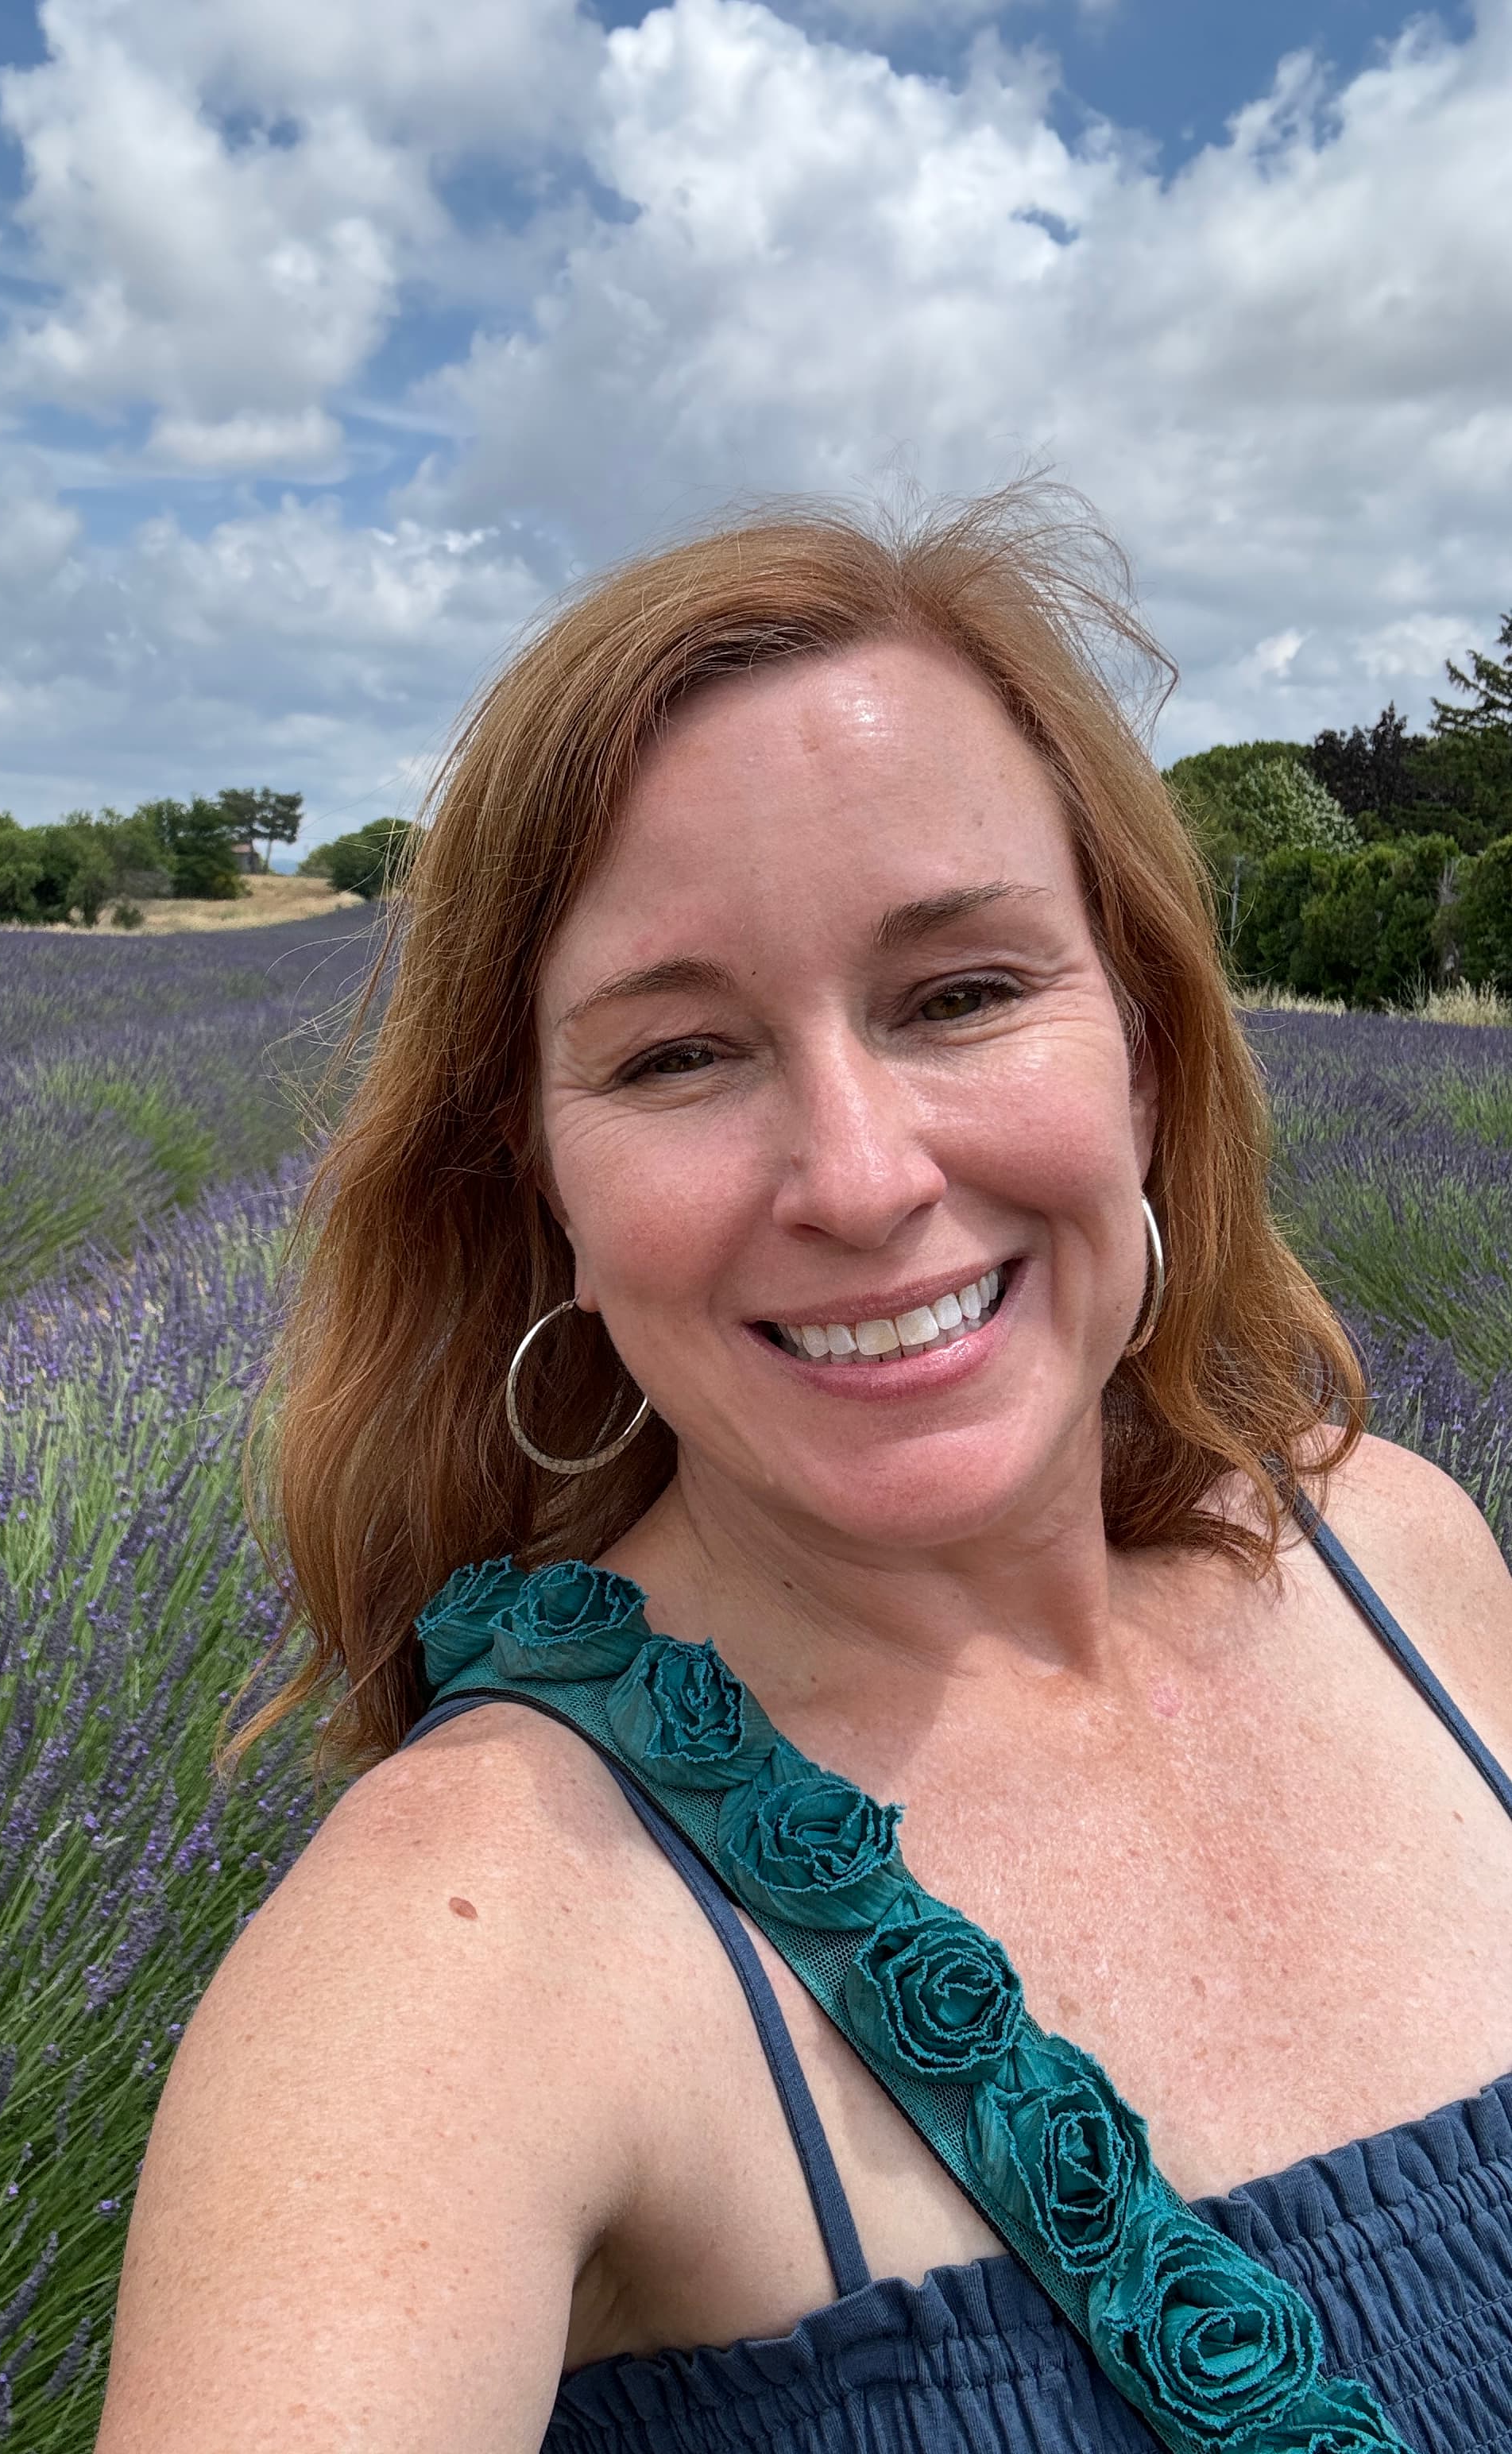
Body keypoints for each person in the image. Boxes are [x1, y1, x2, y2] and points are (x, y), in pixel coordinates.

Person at [95, 488, 1512, 2454]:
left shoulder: (1411, 1565)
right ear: (546, 1187)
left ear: (1150, 1049)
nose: (859, 1177)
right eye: (679, 1054)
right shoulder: (464, 1953)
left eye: (962, 993)